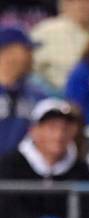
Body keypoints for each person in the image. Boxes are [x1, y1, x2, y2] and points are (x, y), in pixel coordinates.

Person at [0, 98, 89, 218]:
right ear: (34, 130)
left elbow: (85, 216)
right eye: (52, 128)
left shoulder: (81, 170)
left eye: (65, 128)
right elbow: (7, 212)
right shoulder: (10, 165)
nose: (59, 135)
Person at [30, 0, 89, 92]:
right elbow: (30, 71)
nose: (82, 6)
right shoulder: (45, 31)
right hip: (57, 97)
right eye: (75, 2)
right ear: (63, 4)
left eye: (88, 1)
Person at [0, 27, 48, 156]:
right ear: (7, 53)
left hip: (21, 170)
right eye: (27, 50)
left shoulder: (38, 95)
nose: (32, 57)